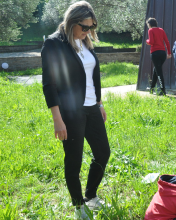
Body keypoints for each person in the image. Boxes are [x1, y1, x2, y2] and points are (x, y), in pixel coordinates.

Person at [41, 1, 110, 219]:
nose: (88, 31)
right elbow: (49, 84)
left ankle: (90, 195)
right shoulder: (54, 44)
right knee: (74, 159)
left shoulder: (86, 42)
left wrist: (99, 103)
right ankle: (79, 205)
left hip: (92, 107)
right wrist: (57, 119)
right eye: (85, 27)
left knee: (103, 152)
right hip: (71, 112)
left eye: (92, 27)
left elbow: (92, 76)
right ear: (72, 22)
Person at [146, 17, 172, 96]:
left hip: (155, 53)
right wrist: (169, 53)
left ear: (149, 24)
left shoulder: (150, 30)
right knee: (156, 70)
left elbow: (151, 42)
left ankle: (163, 90)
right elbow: (167, 42)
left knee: (159, 72)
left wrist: (147, 41)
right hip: (163, 53)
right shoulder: (161, 30)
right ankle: (151, 88)